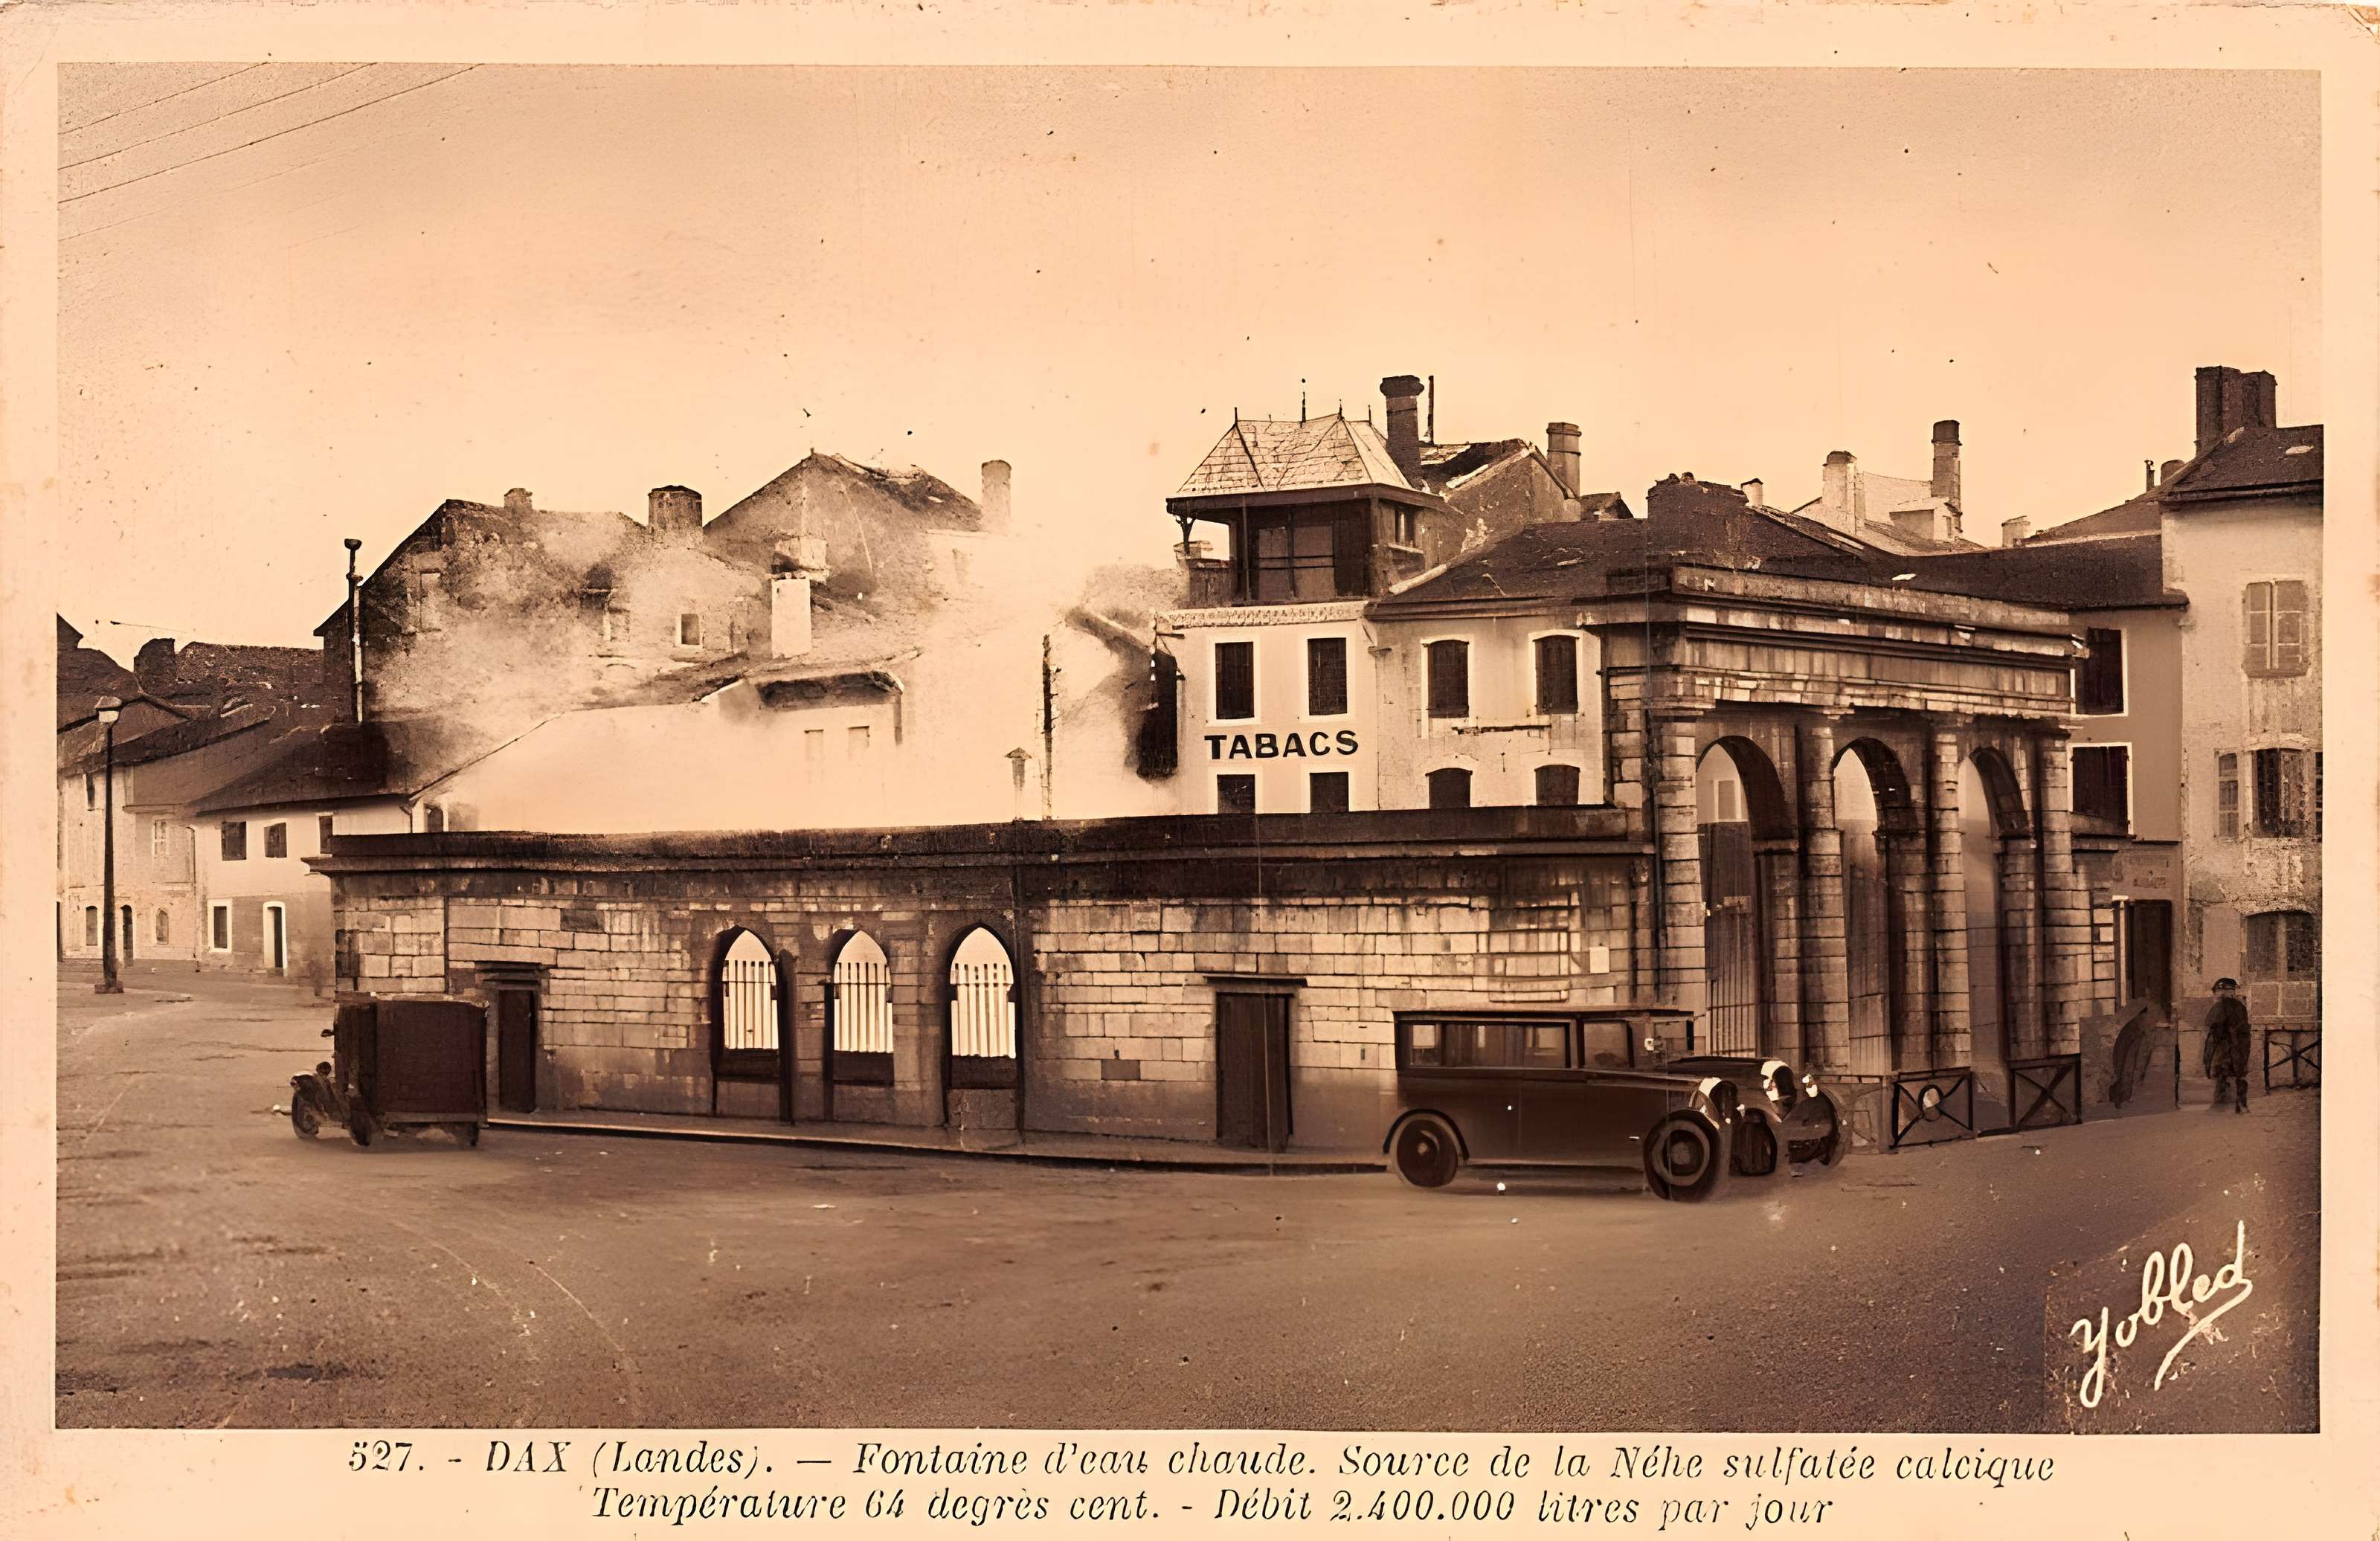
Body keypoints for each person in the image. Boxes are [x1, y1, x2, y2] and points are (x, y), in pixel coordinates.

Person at [2202, 977, 2252, 1114]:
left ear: (2225, 991)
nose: (2216, 995)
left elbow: (2213, 1028)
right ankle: (2241, 1104)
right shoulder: (2240, 1006)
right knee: (2238, 1073)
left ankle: (2225, 1106)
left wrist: (2209, 1054)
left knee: (2225, 1072)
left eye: (2218, 991)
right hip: (2239, 1046)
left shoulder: (2222, 1006)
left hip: (2226, 1047)